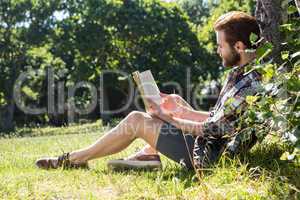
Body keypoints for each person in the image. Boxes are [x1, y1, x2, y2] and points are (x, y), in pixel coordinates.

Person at [36, 11, 262, 171]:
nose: (217, 51)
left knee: (137, 119)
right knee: (155, 114)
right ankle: (148, 155)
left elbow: (213, 129)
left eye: (220, 45)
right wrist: (183, 108)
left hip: (210, 157)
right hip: (209, 145)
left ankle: (74, 159)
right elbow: (221, 121)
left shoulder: (251, 84)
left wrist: (169, 117)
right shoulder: (240, 74)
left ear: (239, 46)